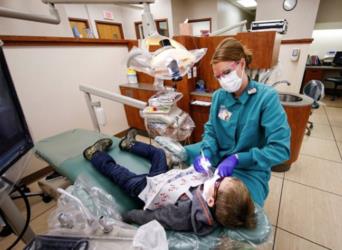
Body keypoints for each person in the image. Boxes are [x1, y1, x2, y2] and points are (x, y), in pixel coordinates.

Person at [83, 128, 256, 236]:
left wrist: (128, 216)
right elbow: (206, 183)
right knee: (158, 154)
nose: (218, 176)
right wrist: (204, 164)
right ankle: (129, 144)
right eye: (225, 176)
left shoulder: (184, 213)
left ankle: (95, 155)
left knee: (118, 173)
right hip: (165, 181)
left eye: (220, 181)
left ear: (210, 200)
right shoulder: (215, 197)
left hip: (146, 190)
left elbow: (153, 217)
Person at [192, 38, 291, 207]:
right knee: (197, 203)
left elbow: (280, 149)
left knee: (235, 213)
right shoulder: (219, 97)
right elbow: (211, 131)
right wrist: (206, 151)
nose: (223, 80)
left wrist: (239, 159)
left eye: (227, 72)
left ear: (242, 64)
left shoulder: (266, 98)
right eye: (218, 77)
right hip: (217, 164)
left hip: (251, 170)